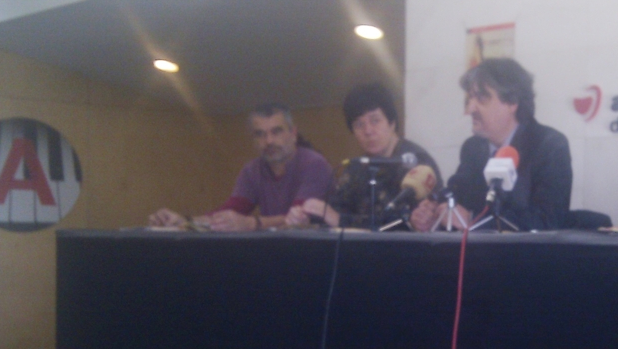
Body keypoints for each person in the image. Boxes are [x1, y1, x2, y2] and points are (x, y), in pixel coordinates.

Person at [409, 58, 572, 232]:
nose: (470, 109)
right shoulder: (473, 148)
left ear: (512, 102)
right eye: (470, 98)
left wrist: (472, 220)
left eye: (481, 98)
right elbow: (455, 197)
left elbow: (547, 221)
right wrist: (434, 215)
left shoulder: (549, 146)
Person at [149, 102, 332, 231]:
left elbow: (298, 220)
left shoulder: (314, 164)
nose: (268, 141)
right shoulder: (252, 170)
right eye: (260, 134)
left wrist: (251, 223)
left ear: (293, 133)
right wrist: (184, 221)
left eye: (276, 131)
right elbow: (231, 210)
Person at [286, 83, 441, 229]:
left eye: (375, 121)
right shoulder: (356, 168)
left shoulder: (417, 162)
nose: (368, 131)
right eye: (359, 125)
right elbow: (335, 211)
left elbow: (410, 222)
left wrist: (340, 220)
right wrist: (308, 217)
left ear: (392, 122)